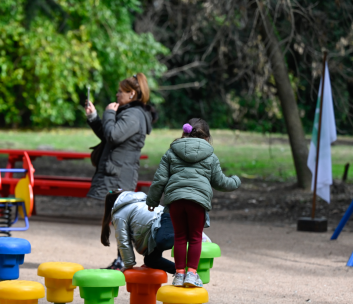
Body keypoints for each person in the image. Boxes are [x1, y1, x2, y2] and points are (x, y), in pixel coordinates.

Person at [146, 118, 241, 287]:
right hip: (197, 201)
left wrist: (152, 200)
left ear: (185, 132)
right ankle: (191, 274)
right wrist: (235, 181)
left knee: (180, 237)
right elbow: (220, 182)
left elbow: (160, 179)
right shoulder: (210, 156)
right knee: (195, 238)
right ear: (206, 138)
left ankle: (179, 274)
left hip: (176, 200)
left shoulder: (171, 152)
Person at [86, 73, 156, 270]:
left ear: (132, 93)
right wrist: (93, 117)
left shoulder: (134, 115)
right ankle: (123, 259)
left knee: (120, 218)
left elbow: (114, 135)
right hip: (117, 172)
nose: (117, 95)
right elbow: (109, 135)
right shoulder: (130, 113)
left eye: (120, 91)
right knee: (119, 218)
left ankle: (125, 260)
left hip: (120, 174)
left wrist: (108, 113)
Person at [101, 189, 176, 274]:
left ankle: (188, 238)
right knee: (151, 260)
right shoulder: (139, 199)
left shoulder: (119, 214)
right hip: (161, 223)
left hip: (164, 220)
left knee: (163, 241)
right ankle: (182, 272)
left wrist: (128, 265)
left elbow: (123, 241)